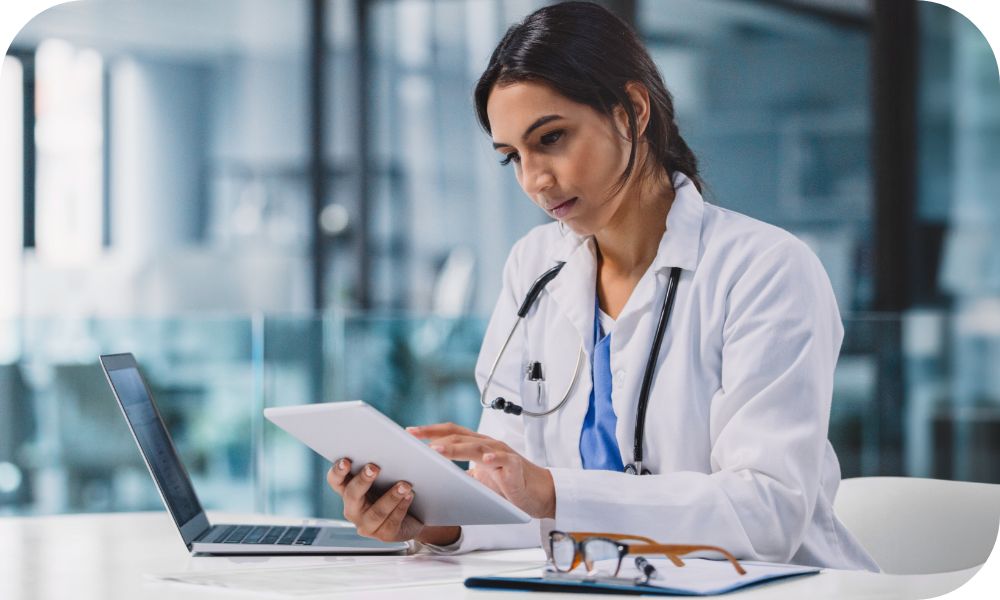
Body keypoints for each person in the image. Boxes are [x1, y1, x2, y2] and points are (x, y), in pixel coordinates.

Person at [325, 1, 878, 571]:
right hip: (603, 583)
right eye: (511, 157)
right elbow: (510, 493)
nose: (535, 180)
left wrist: (553, 492)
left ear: (632, 110)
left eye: (553, 138)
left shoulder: (765, 269)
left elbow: (767, 515)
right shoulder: (533, 267)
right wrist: (432, 521)